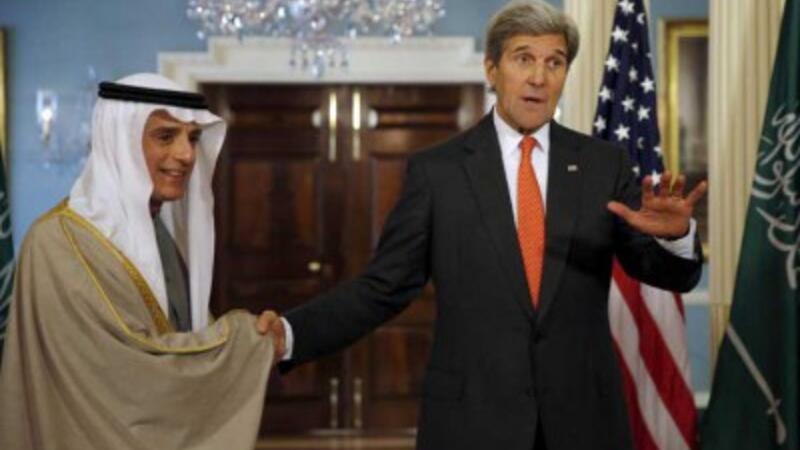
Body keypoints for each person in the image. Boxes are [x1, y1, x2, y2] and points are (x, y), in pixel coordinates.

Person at [260, 1, 707, 449]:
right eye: (523, 58)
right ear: (491, 70)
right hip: (472, 421)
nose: (539, 77)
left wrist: (677, 238)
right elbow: (383, 287)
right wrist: (292, 333)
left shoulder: (604, 165)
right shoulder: (438, 172)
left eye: (554, 63)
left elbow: (662, 273)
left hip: (584, 421)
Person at [0, 73, 277, 450]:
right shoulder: (55, 243)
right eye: (166, 136)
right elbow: (132, 373)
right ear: (120, 142)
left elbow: (176, 333)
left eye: (193, 138)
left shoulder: (156, 231)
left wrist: (249, 340)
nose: (187, 154)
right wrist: (247, 341)